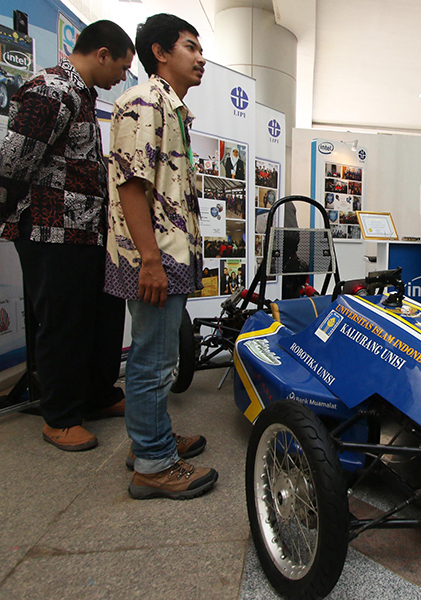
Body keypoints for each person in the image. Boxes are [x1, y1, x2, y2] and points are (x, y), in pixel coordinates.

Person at [0, 21, 134, 451]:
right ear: (102, 54)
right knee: (63, 324)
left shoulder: (81, 97)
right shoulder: (50, 90)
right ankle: (59, 417)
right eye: (122, 67)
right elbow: (13, 162)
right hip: (49, 231)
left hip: (87, 234)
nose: (122, 77)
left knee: (100, 318)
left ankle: (97, 394)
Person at [105, 13, 218, 499]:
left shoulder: (169, 109)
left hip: (167, 254)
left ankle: (148, 440)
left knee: (161, 355)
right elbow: (132, 186)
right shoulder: (145, 101)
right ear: (159, 52)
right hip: (153, 258)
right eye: (190, 46)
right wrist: (150, 260)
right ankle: (153, 463)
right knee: (153, 361)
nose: (200, 57)